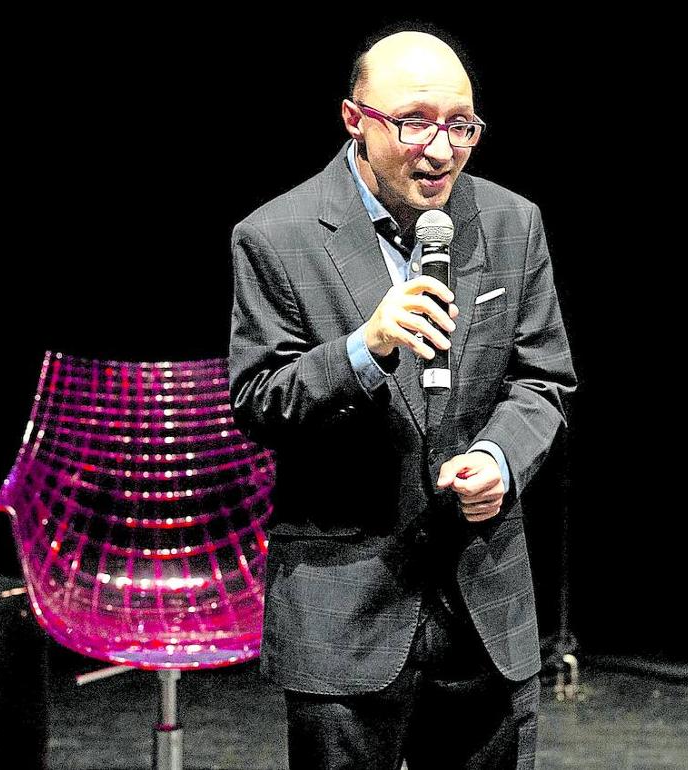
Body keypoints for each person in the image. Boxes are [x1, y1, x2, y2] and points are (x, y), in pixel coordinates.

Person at [228, 28, 576, 769]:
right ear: (356, 119)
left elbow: (543, 379)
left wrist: (499, 459)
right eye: (414, 121)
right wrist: (366, 348)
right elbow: (259, 399)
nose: (441, 148)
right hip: (345, 608)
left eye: (461, 125)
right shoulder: (275, 235)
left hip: (485, 600)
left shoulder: (512, 223)